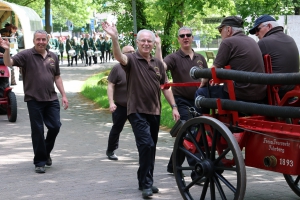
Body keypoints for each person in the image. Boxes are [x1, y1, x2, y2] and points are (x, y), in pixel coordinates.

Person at [101, 22, 180, 199]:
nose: (146, 43)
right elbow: (119, 56)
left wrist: (174, 106)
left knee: (151, 148)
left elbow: (165, 87)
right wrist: (114, 38)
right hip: (136, 111)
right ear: (137, 42)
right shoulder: (131, 61)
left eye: (149, 41)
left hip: (155, 111)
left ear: (153, 43)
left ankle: (143, 179)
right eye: (142, 41)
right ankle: (146, 184)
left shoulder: (158, 63)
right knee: (146, 145)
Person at [0, 30, 69, 173]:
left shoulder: (53, 57)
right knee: (37, 130)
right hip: (34, 100)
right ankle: (40, 162)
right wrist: (6, 50)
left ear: (47, 41)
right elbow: (9, 62)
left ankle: (45, 152)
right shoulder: (26, 55)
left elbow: (57, 77)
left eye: (43, 39)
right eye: (38, 39)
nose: (41, 42)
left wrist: (63, 95)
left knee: (55, 127)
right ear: (33, 40)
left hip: (51, 98)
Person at [155, 26, 208, 180]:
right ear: (178, 39)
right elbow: (159, 67)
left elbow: (207, 77)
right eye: (182, 35)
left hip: (199, 101)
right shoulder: (173, 57)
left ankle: (173, 165)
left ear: (192, 38)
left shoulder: (200, 58)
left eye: (188, 35)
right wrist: (158, 46)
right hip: (182, 101)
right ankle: (197, 171)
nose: (185, 37)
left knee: (189, 134)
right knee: (191, 132)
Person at [195, 16, 267, 114]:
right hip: (259, 95)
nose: (220, 34)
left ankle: (201, 126)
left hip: (240, 96)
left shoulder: (228, 42)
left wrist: (203, 81)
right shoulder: (252, 41)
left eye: (220, 30)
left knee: (201, 93)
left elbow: (212, 70)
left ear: (228, 29)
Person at [249, 14, 300, 98]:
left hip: (275, 93)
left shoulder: (264, 42)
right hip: (292, 91)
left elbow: (250, 67)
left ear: (269, 26)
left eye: (257, 29)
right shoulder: (290, 39)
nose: (256, 34)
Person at [106, 45, 135, 161]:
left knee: (139, 130)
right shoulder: (117, 68)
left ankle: (144, 151)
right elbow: (110, 85)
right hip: (120, 106)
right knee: (117, 128)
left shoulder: (138, 67)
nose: (132, 54)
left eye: (133, 51)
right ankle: (111, 150)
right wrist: (111, 102)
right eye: (128, 52)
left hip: (135, 106)